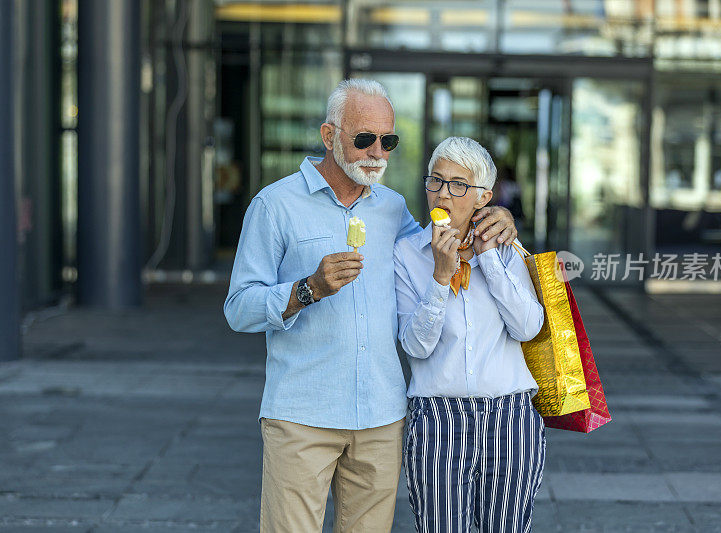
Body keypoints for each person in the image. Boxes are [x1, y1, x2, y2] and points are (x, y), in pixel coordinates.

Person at [223, 80, 518, 532]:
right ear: (329, 136)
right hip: (304, 414)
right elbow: (239, 308)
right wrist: (308, 289)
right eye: (364, 139)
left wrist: (493, 216)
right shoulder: (275, 206)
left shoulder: (393, 208)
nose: (378, 152)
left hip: (381, 418)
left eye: (388, 140)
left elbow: (436, 247)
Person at [393, 136, 546, 533]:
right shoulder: (407, 253)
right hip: (439, 418)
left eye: (458, 185)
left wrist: (489, 258)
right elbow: (415, 345)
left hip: (510, 416)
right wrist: (440, 278)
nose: (443, 194)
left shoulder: (507, 248)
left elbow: (528, 326)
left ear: (483, 197)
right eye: (436, 181)